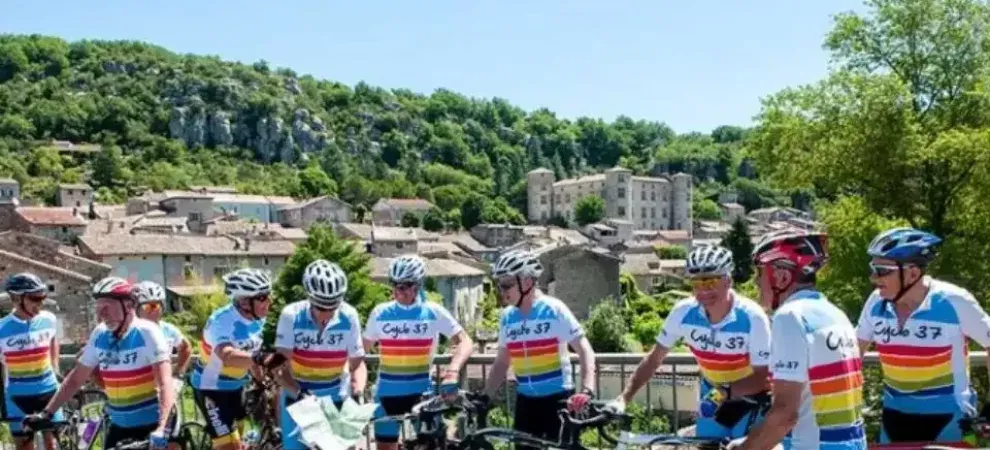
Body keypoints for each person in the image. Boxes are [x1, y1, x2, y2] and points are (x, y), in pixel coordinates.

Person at [608, 245, 772, 439]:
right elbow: (654, 359)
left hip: (749, 396)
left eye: (711, 281)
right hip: (713, 392)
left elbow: (764, 377)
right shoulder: (683, 312)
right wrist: (624, 398)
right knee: (706, 445)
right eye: (696, 283)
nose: (703, 290)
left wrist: (720, 394)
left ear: (728, 280)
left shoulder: (752, 317)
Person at [733, 230, 866, 450]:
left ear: (782, 277)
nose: (756, 281)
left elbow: (785, 414)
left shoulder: (790, 317)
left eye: (760, 272)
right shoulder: (834, 313)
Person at [856, 227, 990, 444]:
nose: (873, 278)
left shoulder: (954, 301)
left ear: (912, 273)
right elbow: (853, 353)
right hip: (893, 417)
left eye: (882, 270)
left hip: (950, 418)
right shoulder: (875, 302)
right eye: (873, 269)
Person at [23, 276, 176, 450]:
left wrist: (162, 428)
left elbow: (165, 383)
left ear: (128, 306)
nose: (101, 314)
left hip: (151, 425)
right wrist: (47, 413)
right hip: (119, 426)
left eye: (107, 307)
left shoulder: (147, 332)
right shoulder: (100, 334)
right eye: (98, 308)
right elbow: (75, 379)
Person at [482, 250, 596, 450]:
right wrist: (485, 396)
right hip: (525, 403)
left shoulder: (554, 309)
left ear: (526, 282)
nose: (502, 290)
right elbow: (502, 363)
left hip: (558, 401)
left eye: (507, 284)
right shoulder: (507, 317)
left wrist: (587, 389)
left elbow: (584, 349)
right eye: (499, 284)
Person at [363, 255, 474, 450]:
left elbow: (465, 341)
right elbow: (360, 351)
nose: (399, 291)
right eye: (395, 285)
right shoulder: (380, 313)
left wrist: (453, 370)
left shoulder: (433, 312)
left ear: (418, 285)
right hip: (386, 396)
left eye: (405, 286)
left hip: (421, 395)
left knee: (427, 446)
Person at [273, 259, 368, 450]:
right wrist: (299, 393)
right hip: (297, 396)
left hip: (333, 397)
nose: (327, 313)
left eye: (333, 307)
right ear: (309, 299)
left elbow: (357, 360)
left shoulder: (349, 316)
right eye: (321, 308)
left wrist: (357, 388)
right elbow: (279, 369)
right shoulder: (291, 315)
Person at [189, 268, 283, 450]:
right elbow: (228, 355)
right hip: (212, 389)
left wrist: (261, 379)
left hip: (236, 387)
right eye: (262, 297)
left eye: (268, 296)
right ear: (244, 301)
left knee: (242, 441)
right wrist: (260, 359)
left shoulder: (258, 320)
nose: (269, 302)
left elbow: (251, 355)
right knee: (230, 446)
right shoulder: (220, 321)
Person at [0, 273, 62, 450]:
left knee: (52, 445)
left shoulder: (48, 319)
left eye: (43, 298)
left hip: (49, 392)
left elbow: (53, 339)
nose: (40, 304)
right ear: (17, 298)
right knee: (25, 447)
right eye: (35, 298)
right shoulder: (2, 328)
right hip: (17, 396)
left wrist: (55, 366)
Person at [133, 281, 192, 450]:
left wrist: (178, 374)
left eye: (157, 306)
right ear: (136, 308)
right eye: (148, 307)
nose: (154, 311)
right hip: (140, 395)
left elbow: (186, 348)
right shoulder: (131, 332)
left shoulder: (168, 330)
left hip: (164, 395)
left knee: (171, 439)